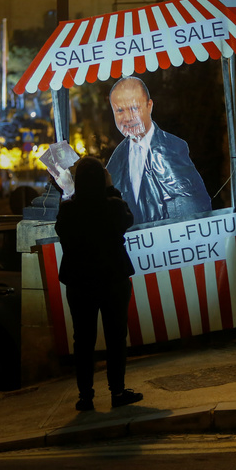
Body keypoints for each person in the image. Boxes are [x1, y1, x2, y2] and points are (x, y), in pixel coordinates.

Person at [55, 156, 143, 411]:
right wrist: (110, 187)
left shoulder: (69, 210)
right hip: (113, 280)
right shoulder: (112, 206)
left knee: (83, 341)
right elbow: (127, 219)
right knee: (116, 337)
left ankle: (86, 396)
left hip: (80, 284)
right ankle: (117, 391)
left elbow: (63, 233)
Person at [106, 76, 212, 225]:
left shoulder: (175, 148)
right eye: (120, 110)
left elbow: (194, 210)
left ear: (149, 106)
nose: (128, 117)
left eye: (134, 108)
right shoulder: (115, 160)